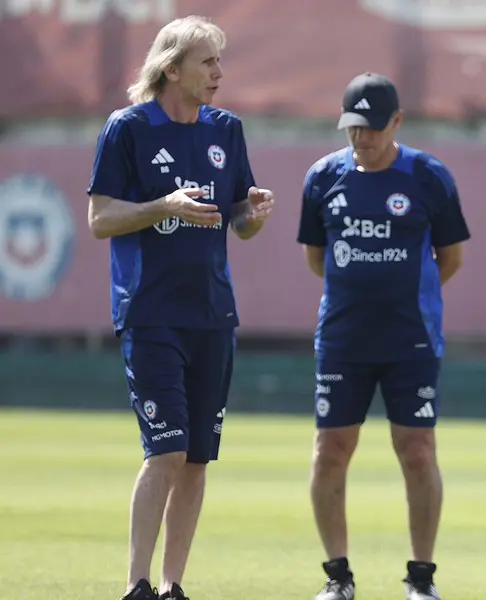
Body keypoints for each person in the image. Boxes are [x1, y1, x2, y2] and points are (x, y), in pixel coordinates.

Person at [86, 15, 274, 600]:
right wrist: (161, 204)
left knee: (195, 459)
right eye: (207, 62)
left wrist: (253, 215)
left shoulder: (226, 131)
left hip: (213, 314)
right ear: (172, 68)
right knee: (165, 448)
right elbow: (100, 219)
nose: (218, 73)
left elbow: (237, 220)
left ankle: (172, 586)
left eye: (219, 62)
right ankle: (137, 584)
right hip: (150, 312)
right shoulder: (127, 129)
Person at [297, 72, 470, 600]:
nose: (361, 138)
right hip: (343, 339)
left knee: (416, 450)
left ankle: (421, 580)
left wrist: (402, 295)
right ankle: (337, 577)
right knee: (331, 451)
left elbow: (451, 258)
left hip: (410, 338)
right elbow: (316, 258)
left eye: (372, 127)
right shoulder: (323, 177)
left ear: (396, 122)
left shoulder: (428, 177)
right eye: (352, 127)